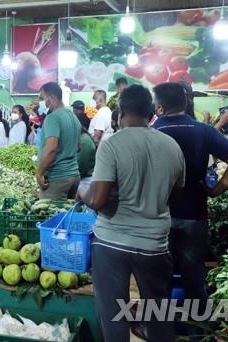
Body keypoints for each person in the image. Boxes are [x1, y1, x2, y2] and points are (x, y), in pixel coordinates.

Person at [77, 84, 186, 342]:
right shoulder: (172, 146)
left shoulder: (112, 144)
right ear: (151, 112)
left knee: (113, 314)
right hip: (155, 244)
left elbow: (97, 199)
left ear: (121, 111)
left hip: (112, 243)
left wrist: (82, 192)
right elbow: (175, 195)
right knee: (158, 312)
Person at [152, 82, 228, 339]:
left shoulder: (152, 131)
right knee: (194, 280)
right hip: (194, 215)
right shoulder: (202, 130)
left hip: (158, 219)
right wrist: (217, 190)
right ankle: (198, 334)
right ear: (185, 102)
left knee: (159, 281)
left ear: (159, 106)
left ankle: (163, 332)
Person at [37, 82, 81, 200]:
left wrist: (39, 174)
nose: (40, 101)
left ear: (51, 98)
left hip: (57, 178)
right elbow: (78, 147)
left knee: (49, 215)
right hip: (74, 175)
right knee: (67, 215)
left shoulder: (53, 117)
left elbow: (51, 149)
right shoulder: (73, 117)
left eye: (42, 98)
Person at [76, 126, 96, 192]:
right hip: (84, 179)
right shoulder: (83, 138)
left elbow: (81, 166)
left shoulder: (84, 141)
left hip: (85, 181)